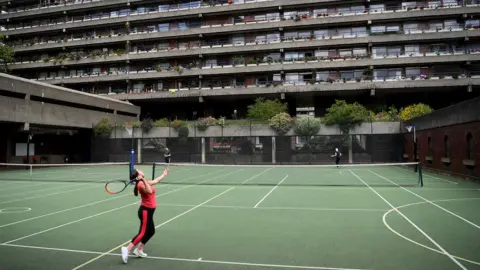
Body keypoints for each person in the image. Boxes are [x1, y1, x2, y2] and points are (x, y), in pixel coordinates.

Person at [121, 167, 169, 264]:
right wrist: (142, 180)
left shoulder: (143, 182)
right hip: (145, 211)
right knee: (142, 232)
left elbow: (155, 181)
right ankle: (127, 249)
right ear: (139, 176)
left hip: (149, 211)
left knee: (151, 231)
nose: (142, 171)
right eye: (140, 171)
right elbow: (149, 191)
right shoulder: (140, 185)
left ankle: (139, 249)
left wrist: (164, 175)